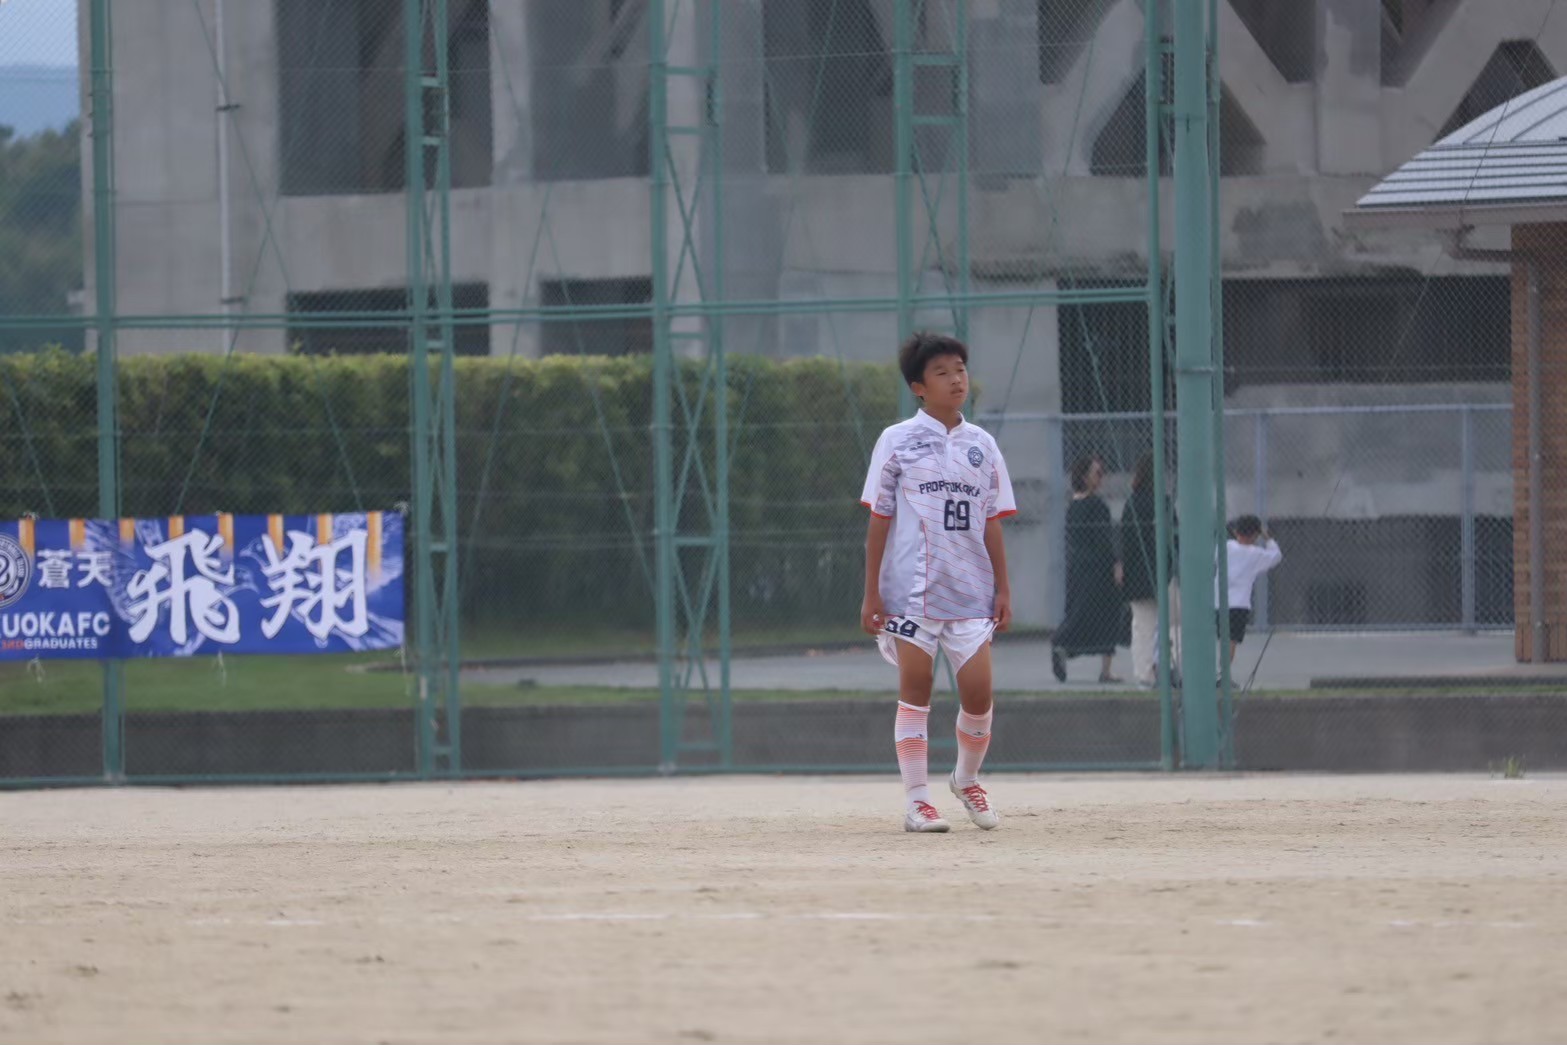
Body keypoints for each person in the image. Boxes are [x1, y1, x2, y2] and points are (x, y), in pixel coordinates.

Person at [860, 332, 1017, 833]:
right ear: (918, 387)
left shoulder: (982, 445)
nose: (956, 380)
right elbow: (879, 518)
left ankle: (965, 779)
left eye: (961, 370)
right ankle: (918, 803)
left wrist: (1003, 589)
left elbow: (991, 520)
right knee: (916, 691)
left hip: (969, 591)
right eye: (942, 373)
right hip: (911, 592)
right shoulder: (896, 440)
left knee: (980, 695)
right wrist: (871, 592)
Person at [1051, 453, 1123, 684]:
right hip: (1099, 570)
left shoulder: (1073, 506)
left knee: (1080, 613)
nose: (1101, 478)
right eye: (1097, 473)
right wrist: (1116, 562)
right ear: (1085, 477)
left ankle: (1065, 646)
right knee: (1106, 615)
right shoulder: (1096, 505)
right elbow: (1105, 539)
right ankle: (1102, 668)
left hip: (1079, 568)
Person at [1119, 451, 1179, 688]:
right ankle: (1173, 668)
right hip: (1164, 571)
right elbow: (1174, 538)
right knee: (1174, 622)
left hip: (1137, 573)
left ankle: (1145, 674)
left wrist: (1123, 567)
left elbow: (1126, 540)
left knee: (1143, 625)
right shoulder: (1164, 503)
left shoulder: (1132, 503)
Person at [1222, 514, 1282, 664]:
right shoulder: (1255, 554)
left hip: (1217, 601)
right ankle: (1223, 673)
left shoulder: (1224, 547)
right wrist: (1267, 537)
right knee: (1230, 641)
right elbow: (1276, 556)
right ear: (1255, 535)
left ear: (1236, 531)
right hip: (1238, 604)